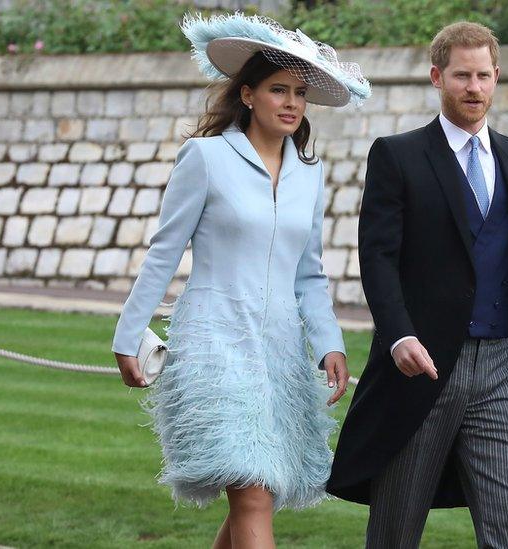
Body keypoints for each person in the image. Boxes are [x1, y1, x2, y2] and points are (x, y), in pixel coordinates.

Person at [110, 13, 370, 549]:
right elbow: (164, 252)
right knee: (251, 492)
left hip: (280, 352)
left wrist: (329, 343)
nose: (292, 102)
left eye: (300, 92)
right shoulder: (205, 158)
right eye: (279, 89)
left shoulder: (309, 174)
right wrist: (127, 334)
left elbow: (310, 271)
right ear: (248, 95)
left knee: (260, 492)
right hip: (214, 342)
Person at [327, 21, 508, 548]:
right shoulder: (397, 155)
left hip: (500, 365)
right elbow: (377, 258)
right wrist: (398, 335)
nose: (474, 87)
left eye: (484, 76)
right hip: (421, 364)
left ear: (496, 79)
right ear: (436, 77)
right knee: (397, 526)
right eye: (462, 75)